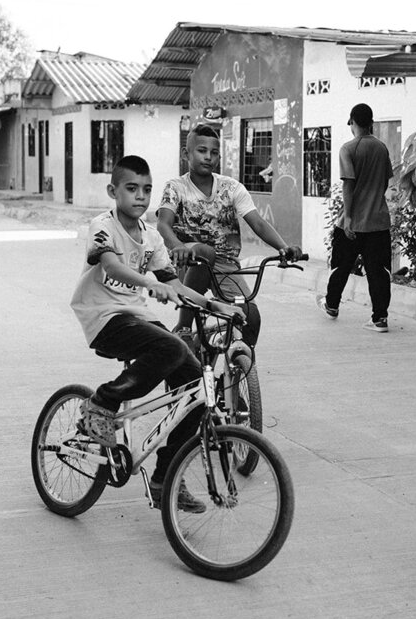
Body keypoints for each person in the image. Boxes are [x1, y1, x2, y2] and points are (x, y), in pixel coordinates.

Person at [70, 154, 243, 512]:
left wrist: (218, 306)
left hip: (138, 317)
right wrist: (149, 283)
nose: (140, 196)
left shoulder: (151, 237)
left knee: (197, 386)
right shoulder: (102, 226)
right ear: (112, 190)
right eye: (131, 189)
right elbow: (111, 264)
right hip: (104, 316)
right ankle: (102, 401)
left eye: (147, 190)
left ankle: (165, 478)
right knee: (170, 348)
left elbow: (175, 285)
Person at [157, 124, 301, 346]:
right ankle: (184, 326)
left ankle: (238, 366)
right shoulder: (175, 187)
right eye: (201, 151)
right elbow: (163, 224)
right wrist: (177, 246)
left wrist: (283, 248)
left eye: (214, 153)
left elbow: (258, 223)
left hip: (225, 264)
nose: (208, 157)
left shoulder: (231, 187)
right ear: (187, 154)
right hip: (188, 260)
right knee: (204, 252)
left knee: (249, 315)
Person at [318, 103, 394, 332]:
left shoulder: (348, 149)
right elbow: (385, 181)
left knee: (340, 266)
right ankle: (380, 318)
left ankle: (331, 305)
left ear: (352, 121)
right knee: (378, 272)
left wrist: (349, 218)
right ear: (371, 122)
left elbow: (348, 184)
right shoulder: (382, 148)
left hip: (352, 222)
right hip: (378, 222)